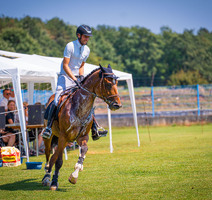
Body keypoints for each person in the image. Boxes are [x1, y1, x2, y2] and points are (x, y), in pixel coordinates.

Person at [42, 24, 108, 140]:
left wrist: (81, 78)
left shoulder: (87, 50)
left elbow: (81, 66)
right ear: (79, 35)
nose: (87, 39)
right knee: (57, 100)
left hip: (77, 78)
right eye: (85, 37)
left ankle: (95, 129)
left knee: (87, 102)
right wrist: (74, 78)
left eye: (88, 37)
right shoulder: (70, 46)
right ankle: (48, 128)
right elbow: (65, 65)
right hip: (65, 77)